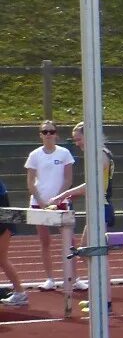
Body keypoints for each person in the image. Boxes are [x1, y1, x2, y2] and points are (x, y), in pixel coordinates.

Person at [49, 122, 115, 297]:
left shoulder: (100, 155)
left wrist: (64, 194)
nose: (77, 143)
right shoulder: (97, 154)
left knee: (92, 252)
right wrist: (69, 195)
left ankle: (104, 299)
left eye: (78, 139)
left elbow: (92, 185)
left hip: (102, 208)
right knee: (89, 252)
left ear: (89, 136)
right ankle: (100, 296)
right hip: (97, 208)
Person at [24, 120, 74, 291]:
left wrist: (58, 198)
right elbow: (30, 181)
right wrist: (41, 201)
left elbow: (68, 179)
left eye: (51, 131)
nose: (48, 135)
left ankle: (74, 278)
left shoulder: (64, 153)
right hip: (39, 203)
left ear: (56, 134)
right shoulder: (34, 155)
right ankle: (50, 279)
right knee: (45, 241)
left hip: (61, 203)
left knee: (69, 241)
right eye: (44, 132)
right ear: (40, 135)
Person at [0, 177, 29, 307]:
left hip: (3, 223)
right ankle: (19, 292)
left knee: (2, 259)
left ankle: (20, 292)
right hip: (5, 220)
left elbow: (5, 209)